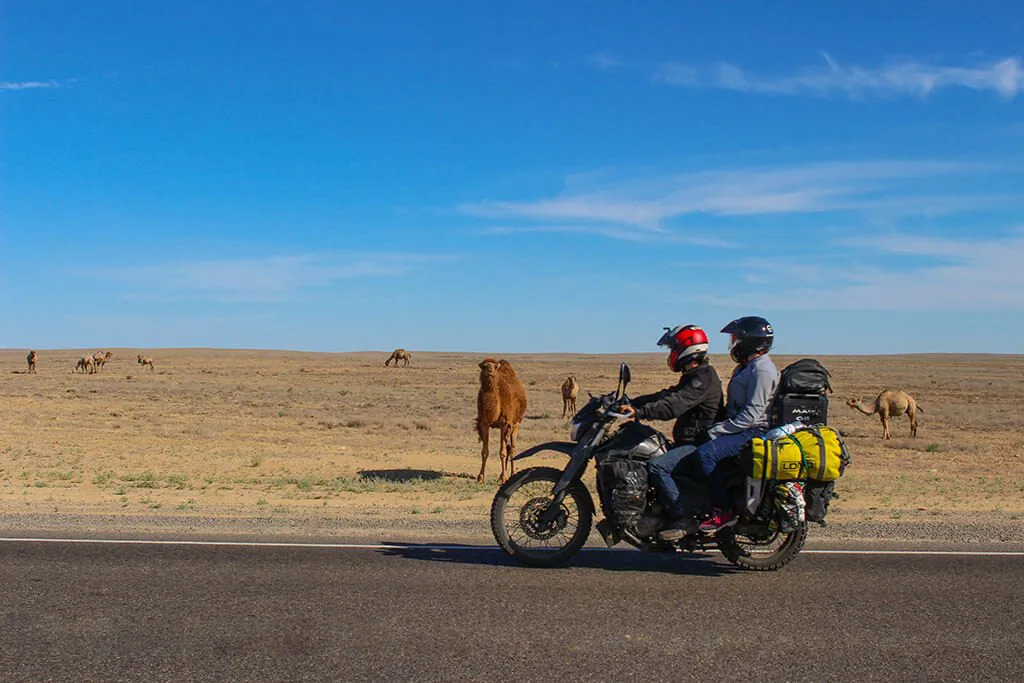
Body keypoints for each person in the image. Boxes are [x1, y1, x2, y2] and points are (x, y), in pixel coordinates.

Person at [620, 325, 724, 537]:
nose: (671, 355)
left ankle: (682, 518)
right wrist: (632, 402)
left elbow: (674, 405)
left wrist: (640, 412)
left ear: (687, 350)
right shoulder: (695, 375)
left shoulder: (702, 379)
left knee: (658, 467)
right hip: (690, 440)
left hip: (698, 443)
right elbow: (667, 395)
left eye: (673, 349)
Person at [692, 315, 780, 534]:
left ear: (750, 341)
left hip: (753, 431)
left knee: (706, 454)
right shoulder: (747, 367)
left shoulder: (762, 370)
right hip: (741, 428)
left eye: (736, 338)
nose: (733, 344)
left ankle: (723, 511)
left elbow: (752, 413)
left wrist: (719, 430)